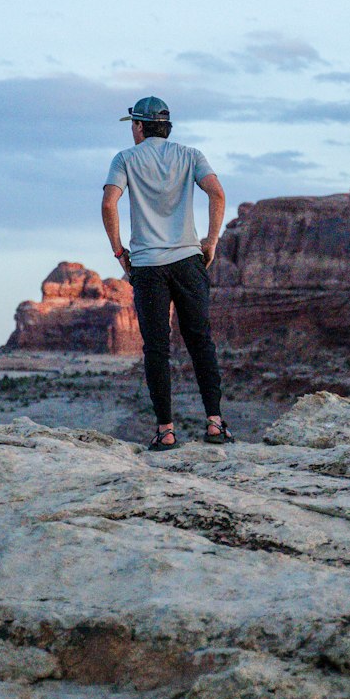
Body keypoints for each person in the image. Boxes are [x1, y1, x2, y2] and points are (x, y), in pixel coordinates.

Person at [102, 96, 233, 451]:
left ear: (141, 126)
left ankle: (166, 431)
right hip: (188, 261)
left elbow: (108, 203)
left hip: (147, 267)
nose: (132, 130)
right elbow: (217, 194)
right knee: (200, 342)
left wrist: (119, 252)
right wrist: (211, 241)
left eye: (133, 124)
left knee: (157, 349)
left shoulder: (125, 159)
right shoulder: (191, 155)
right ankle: (215, 424)